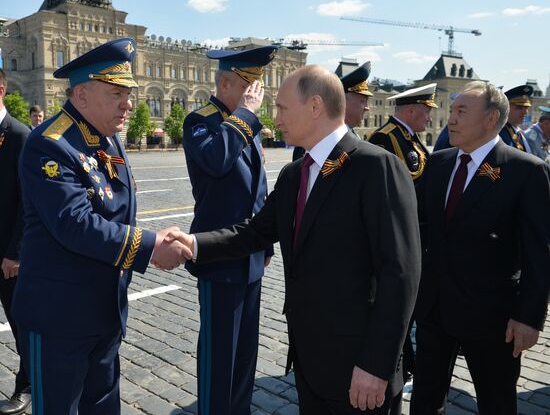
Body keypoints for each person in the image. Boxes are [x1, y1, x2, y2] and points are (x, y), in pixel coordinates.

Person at [174, 65, 421, 414]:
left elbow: (401, 275)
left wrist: (376, 366)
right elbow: (254, 232)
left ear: (315, 106)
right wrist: (192, 243)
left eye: (282, 108)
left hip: (360, 371)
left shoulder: (376, 167)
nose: (274, 119)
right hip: (310, 367)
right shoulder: (295, 174)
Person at [11, 38, 188, 415]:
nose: (128, 104)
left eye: (128, 93)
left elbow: (120, 210)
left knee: (104, 407)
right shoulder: (51, 144)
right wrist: (152, 244)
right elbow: (75, 224)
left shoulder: (106, 137)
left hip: (105, 310)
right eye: (116, 94)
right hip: (60, 316)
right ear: (81, 94)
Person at [411, 81, 550, 415]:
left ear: (491, 119)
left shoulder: (525, 171)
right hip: (434, 309)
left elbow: (539, 252)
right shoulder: (441, 163)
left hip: (493, 317)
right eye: (452, 110)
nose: (450, 119)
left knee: (496, 400)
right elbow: (422, 228)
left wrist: (528, 317)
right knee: (425, 399)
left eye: (461, 111)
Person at [182, 45, 276, 415]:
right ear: (225, 83)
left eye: (258, 86)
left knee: (244, 358)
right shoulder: (201, 121)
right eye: (249, 85)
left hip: (250, 254)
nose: (257, 94)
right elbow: (218, 161)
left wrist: (265, 242)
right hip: (219, 257)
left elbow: (259, 186)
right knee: (220, 357)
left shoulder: (244, 121)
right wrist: (244, 115)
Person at [368, 82, 438, 383]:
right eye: (426, 112)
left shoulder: (408, 138)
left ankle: (407, 361)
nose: (429, 120)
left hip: (420, 235)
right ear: (411, 110)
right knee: (401, 306)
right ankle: (400, 362)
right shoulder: (386, 138)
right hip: (402, 236)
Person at [0, 68, 32, 415]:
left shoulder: (20, 135)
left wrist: (15, 253)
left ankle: (26, 386)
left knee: (21, 327)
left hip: (7, 258)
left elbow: (28, 203)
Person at [292, 62, 372, 161]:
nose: (367, 107)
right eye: (363, 101)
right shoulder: (315, 139)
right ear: (342, 100)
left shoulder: (351, 135)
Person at [499, 84, 533, 152]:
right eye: (519, 107)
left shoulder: (518, 132)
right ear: (506, 108)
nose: (525, 112)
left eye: (526, 107)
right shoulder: (498, 133)